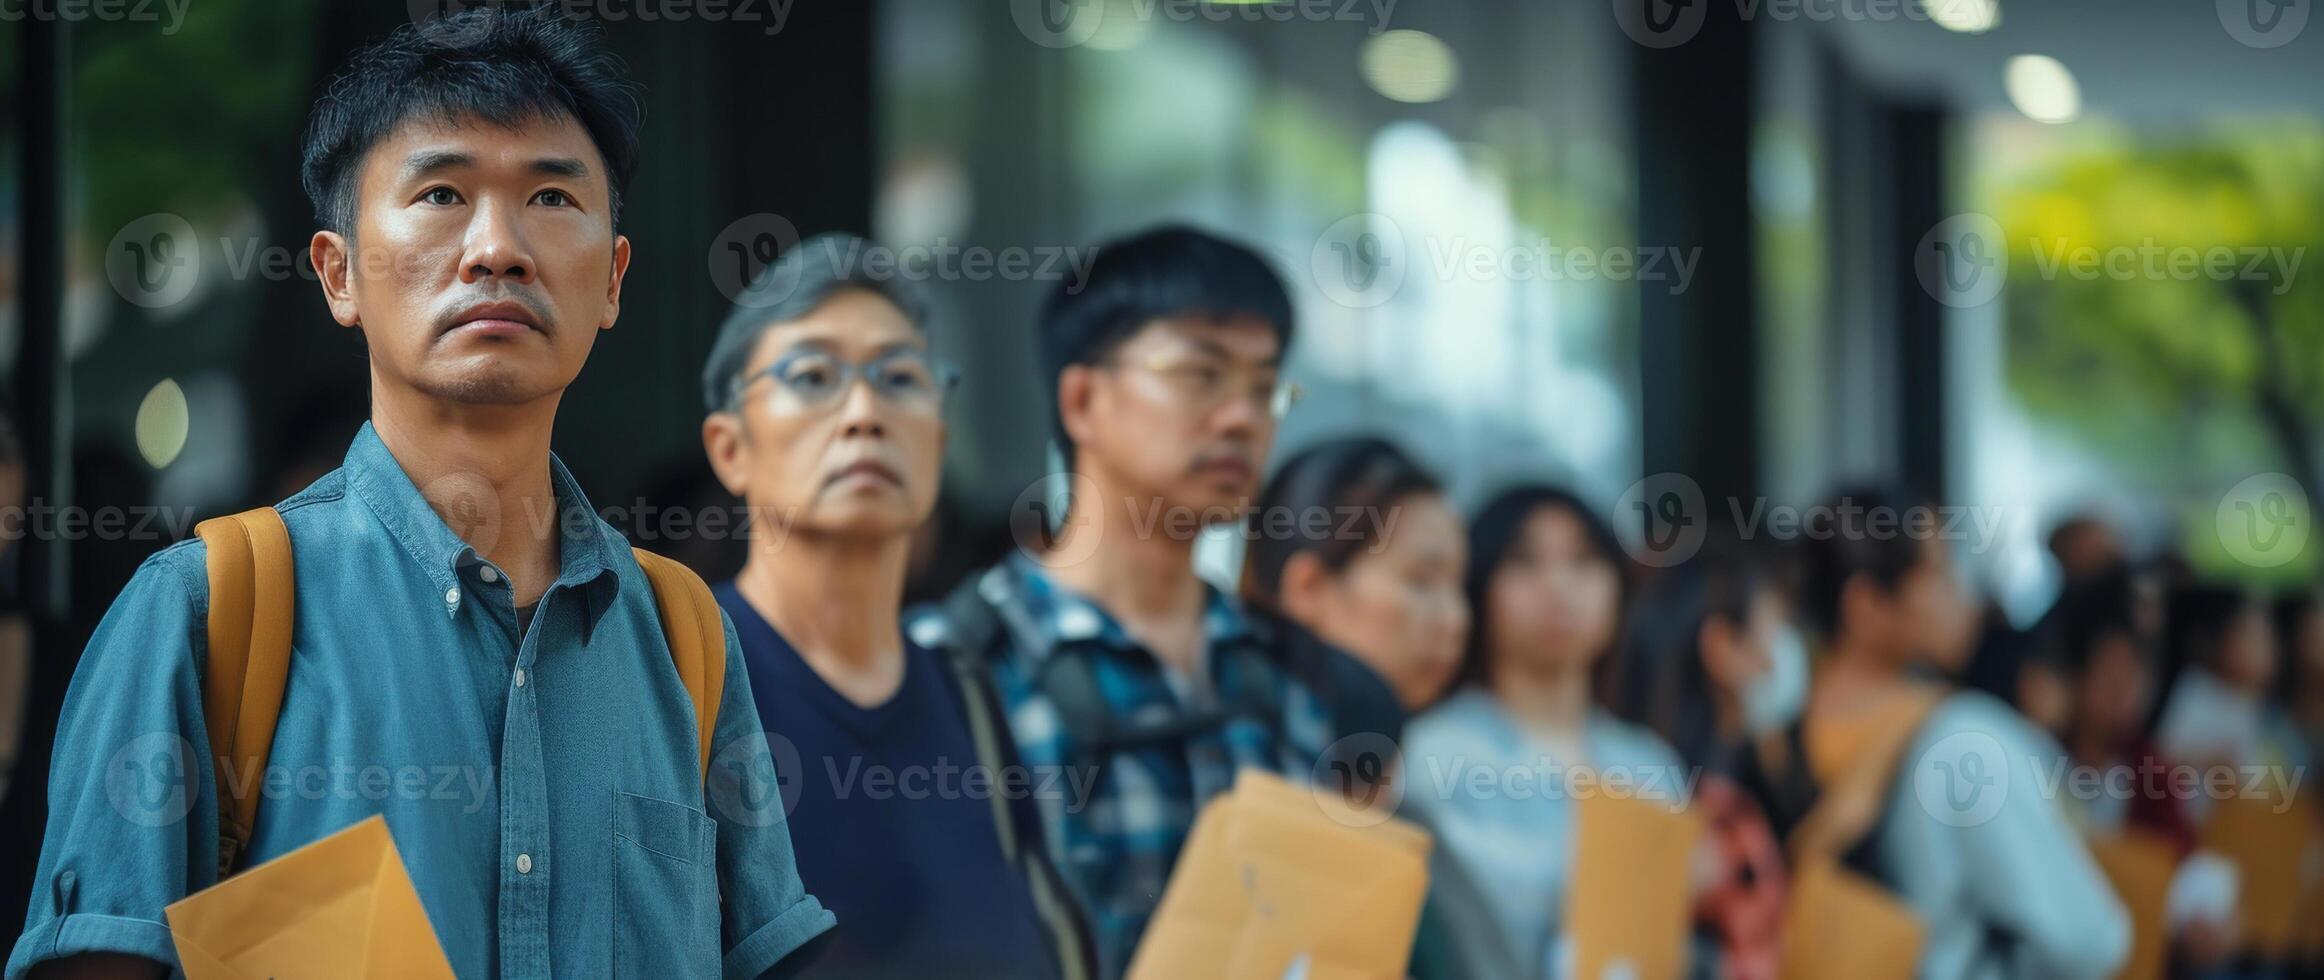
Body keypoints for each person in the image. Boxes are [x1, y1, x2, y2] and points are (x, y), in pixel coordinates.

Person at [7, 9, 835, 977]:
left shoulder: (685, 637)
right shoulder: (205, 611)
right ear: (337, 271)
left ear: (612, 281)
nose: (497, 248)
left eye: (552, 198)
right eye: (441, 192)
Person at [903, 225, 1332, 978]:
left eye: (1265, 388)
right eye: (1203, 374)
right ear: (1083, 399)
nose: (1241, 417)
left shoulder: (1291, 669)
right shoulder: (954, 665)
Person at [697, 234, 1089, 979]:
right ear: (730, 449)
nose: (865, 412)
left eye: (901, 378)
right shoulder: (680, 674)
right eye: (813, 375)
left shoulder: (970, 691)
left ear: (937, 446)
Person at [1776, 485, 2127, 979]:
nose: (1964, 599)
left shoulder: (1771, 742)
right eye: (1940, 575)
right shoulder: (1963, 742)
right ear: (1867, 606)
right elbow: (2089, 939)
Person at [1237, 436, 1519, 980]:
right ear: (1310, 589)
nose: (1454, 620)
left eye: (1459, 587)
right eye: (1421, 581)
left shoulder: (1402, 797)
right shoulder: (1261, 779)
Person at [1400, 485, 1691, 978]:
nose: (1558, 585)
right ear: (1479, 584)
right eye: (1524, 561)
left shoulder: (1652, 765)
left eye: (1583, 561)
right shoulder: (1429, 755)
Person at [1610, 534, 1803, 980]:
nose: (1779, 659)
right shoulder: (1704, 809)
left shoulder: (1728, 775)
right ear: (1721, 647)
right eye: (1774, 628)